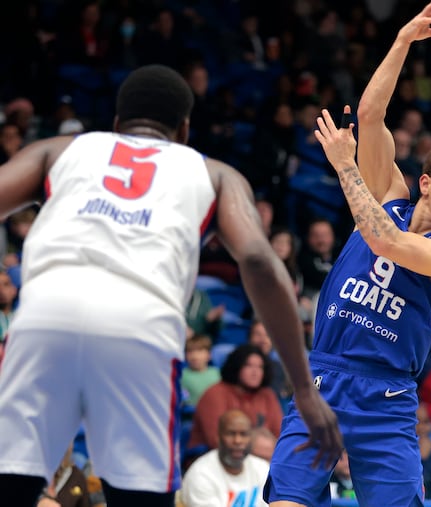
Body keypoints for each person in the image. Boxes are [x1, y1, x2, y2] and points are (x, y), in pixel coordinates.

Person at [0, 64, 341, 507]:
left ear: (117, 125)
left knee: (13, 485)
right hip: (141, 327)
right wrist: (302, 388)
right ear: (183, 130)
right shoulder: (214, 173)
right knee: (140, 496)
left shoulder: (58, 150)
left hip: (43, 317)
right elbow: (258, 259)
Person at [264, 3, 431, 506]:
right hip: (324, 375)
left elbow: (386, 242)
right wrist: (404, 41)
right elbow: (370, 116)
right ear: (426, 184)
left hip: (387, 398)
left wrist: (346, 169)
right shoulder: (389, 194)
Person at [188, 344, 284, 450]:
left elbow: (280, 435)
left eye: (260, 367)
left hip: (262, 459)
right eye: (248, 366)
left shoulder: (267, 395)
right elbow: (216, 440)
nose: (255, 372)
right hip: (216, 458)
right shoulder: (215, 393)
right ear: (236, 367)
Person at [180, 410, 269, 507]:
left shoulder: (262, 469)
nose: (237, 441)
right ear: (218, 437)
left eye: (243, 434)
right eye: (231, 434)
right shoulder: (201, 474)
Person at [181, 334, 221, 407]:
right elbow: (183, 397)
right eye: (190, 351)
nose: (195, 356)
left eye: (200, 351)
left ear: (209, 355)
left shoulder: (217, 373)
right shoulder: (181, 375)